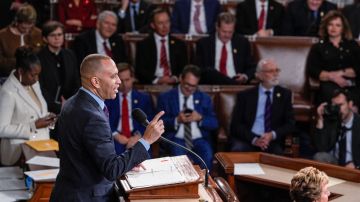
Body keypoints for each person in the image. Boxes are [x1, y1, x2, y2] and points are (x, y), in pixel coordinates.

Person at [50, 54, 165, 201]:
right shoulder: (92, 116)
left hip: (70, 190)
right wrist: (146, 140)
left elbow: (92, 155)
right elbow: (111, 169)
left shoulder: (74, 102)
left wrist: (128, 163)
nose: (119, 82)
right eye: (113, 76)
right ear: (95, 82)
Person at [0, 47, 56, 166]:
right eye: (33, 75)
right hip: (19, 154)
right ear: (20, 71)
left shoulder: (33, 83)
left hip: (41, 147)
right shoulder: (8, 92)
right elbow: (1, 129)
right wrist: (33, 125)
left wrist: (48, 118)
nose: (36, 79)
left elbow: (37, 112)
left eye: (38, 75)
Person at [157, 65, 218, 169]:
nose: (190, 89)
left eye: (193, 86)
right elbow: (159, 122)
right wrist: (177, 120)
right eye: (187, 85)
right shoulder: (166, 97)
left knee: (207, 154)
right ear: (181, 78)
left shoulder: (204, 98)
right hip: (176, 139)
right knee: (180, 157)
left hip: (199, 138)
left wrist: (200, 118)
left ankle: (205, 183)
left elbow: (214, 123)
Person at [230, 58, 295, 154]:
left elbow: (290, 124)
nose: (275, 74)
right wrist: (254, 139)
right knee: (238, 150)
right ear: (259, 75)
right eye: (270, 71)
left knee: (278, 155)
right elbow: (236, 125)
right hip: (248, 139)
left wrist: (272, 135)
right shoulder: (245, 96)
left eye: (277, 70)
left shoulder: (285, 95)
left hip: (271, 140)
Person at [307, 10, 360, 107]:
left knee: (353, 103)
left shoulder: (352, 45)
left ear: (343, 28)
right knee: (336, 102)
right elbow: (314, 70)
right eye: (330, 24)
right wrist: (333, 77)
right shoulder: (318, 47)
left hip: (351, 85)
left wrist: (341, 73)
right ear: (326, 27)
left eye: (338, 25)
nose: (333, 28)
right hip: (329, 86)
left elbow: (358, 68)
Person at [105, 63, 154, 154]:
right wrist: (115, 135)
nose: (124, 84)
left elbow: (149, 120)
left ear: (133, 78)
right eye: (121, 80)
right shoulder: (108, 99)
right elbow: (104, 120)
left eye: (127, 80)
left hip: (138, 136)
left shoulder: (143, 98)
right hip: (115, 138)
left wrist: (138, 136)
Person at [196, 12, 256, 85]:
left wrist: (244, 76)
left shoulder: (242, 43)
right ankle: (232, 83)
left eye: (230, 32)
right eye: (224, 32)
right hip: (213, 82)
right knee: (210, 72)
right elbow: (199, 69)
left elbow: (251, 66)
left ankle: (232, 83)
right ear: (217, 27)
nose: (227, 35)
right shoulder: (203, 43)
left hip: (236, 80)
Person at [135, 8, 188, 84]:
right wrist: (157, 80)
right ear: (153, 25)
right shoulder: (144, 45)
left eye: (167, 22)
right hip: (152, 84)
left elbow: (184, 68)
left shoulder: (179, 44)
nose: (165, 26)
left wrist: (175, 78)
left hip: (174, 84)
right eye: (160, 23)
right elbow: (140, 71)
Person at [38, 21, 80, 116]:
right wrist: (58, 106)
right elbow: (41, 87)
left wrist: (71, 103)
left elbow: (76, 81)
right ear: (45, 39)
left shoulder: (70, 54)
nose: (57, 38)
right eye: (52, 35)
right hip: (48, 108)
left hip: (71, 106)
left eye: (59, 34)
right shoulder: (39, 58)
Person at [313, 89, 360, 169]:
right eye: (335, 106)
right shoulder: (332, 120)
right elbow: (321, 148)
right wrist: (320, 119)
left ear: (350, 104)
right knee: (319, 156)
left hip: (354, 165)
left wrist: (356, 164)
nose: (338, 109)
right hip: (336, 163)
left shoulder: (358, 122)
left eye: (340, 105)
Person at [0, 4, 42, 77]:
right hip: (8, 76)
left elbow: (41, 54)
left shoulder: (37, 33)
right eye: (23, 27)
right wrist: (20, 63)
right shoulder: (3, 35)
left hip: (33, 77)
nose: (27, 30)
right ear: (16, 22)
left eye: (30, 27)